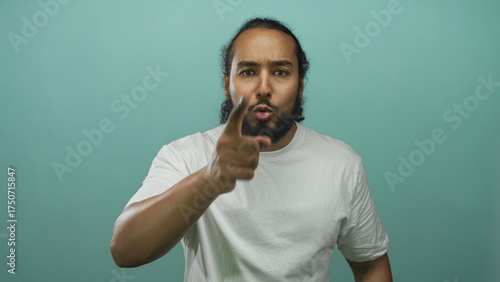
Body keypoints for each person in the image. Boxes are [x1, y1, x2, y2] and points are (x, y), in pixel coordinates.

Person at [110, 17, 392, 281]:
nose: (264, 87)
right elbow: (126, 251)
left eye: (280, 72)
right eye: (248, 72)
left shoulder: (341, 164)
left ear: (301, 86)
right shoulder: (184, 156)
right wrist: (210, 180)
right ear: (226, 85)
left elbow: (371, 265)